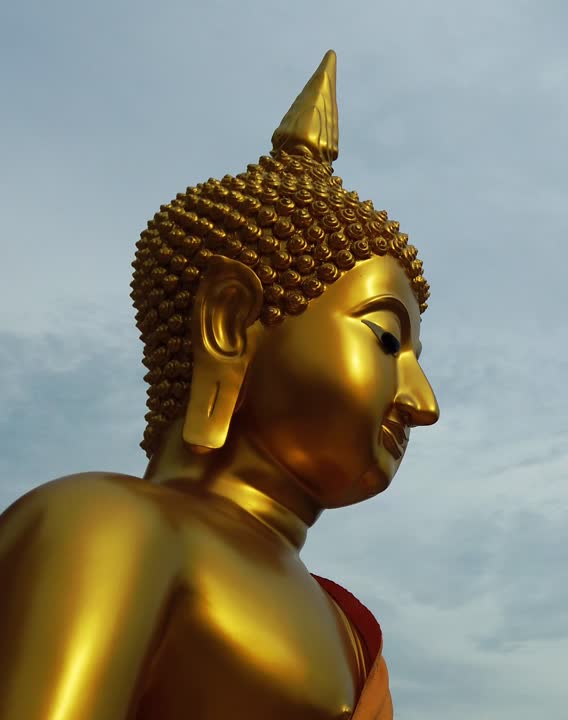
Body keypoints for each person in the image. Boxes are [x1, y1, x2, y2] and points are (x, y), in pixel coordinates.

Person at [0, 50, 435, 719]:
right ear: (230, 322)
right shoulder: (110, 529)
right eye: (385, 338)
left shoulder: (345, 635)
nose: (422, 402)